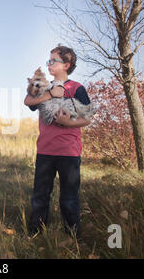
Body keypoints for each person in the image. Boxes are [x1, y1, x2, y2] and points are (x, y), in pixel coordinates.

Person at [24, 45, 92, 239]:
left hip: (68, 152)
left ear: (66, 65)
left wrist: (67, 122)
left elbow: (87, 118)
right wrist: (51, 95)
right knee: (40, 195)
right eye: (49, 60)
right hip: (45, 150)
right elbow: (28, 100)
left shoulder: (77, 88)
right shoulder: (43, 86)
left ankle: (72, 237)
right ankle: (35, 234)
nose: (49, 64)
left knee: (69, 198)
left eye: (53, 61)